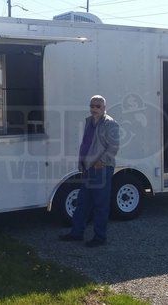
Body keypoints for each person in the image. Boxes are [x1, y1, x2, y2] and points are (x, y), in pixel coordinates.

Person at [59, 95, 120, 247]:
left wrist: (101, 161)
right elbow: (86, 144)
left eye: (98, 106)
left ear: (104, 108)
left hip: (101, 169)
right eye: (92, 106)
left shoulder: (110, 124)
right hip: (88, 167)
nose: (94, 109)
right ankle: (76, 233)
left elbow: (114, 146)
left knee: (100, 205)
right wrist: (82, 162)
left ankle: (100, 238)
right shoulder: (89, 121)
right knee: (83, 202)